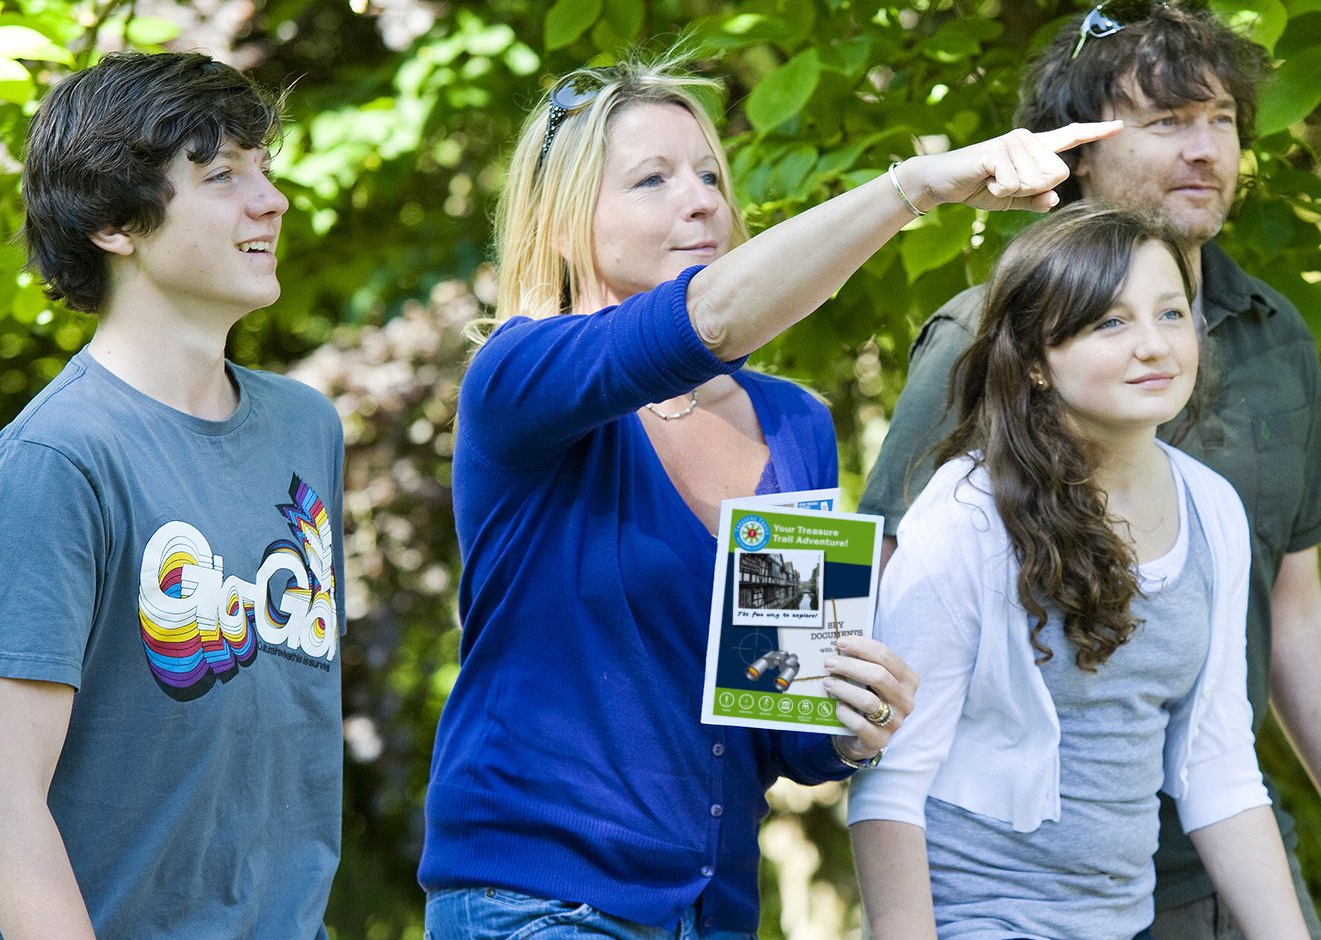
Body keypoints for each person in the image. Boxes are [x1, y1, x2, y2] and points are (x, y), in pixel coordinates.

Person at [417, 54, 1117, 938]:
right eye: (653, 180)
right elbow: (706, 321)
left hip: (712, 913)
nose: (702, 199)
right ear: (562, 223)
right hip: (539, 902)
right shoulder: (520, 379)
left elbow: (780, 712)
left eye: (710, 173)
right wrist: (920, 187)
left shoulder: (791, 425)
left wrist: (853, 718)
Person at [855, 4, 1321, 938]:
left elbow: (1292, 607)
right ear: (1076, 149)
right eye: (1166, 122)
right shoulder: (983, 337)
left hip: (1219, 824)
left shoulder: (1273, 334)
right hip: (1005, 862)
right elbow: (890, 605)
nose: (1204, 149)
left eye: (1222, 121)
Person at [0, 52, 345, 939]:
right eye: (222, 175)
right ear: (117, 221)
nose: (270, 199)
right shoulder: (58, 458)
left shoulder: (308, 428)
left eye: (263, 168)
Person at [850, 205, 1311, 940]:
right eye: (1111, 323)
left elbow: (1218, 770)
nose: (1155, 346)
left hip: (1124, 924)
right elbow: (889, 781)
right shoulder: (969, 513)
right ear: (1035, 358)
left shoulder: (1212, 507)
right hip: (977, 921)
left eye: (1170, 313)